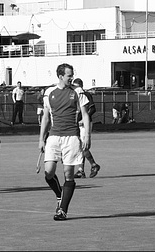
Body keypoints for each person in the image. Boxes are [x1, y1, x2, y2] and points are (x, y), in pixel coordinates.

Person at [38, 63, 91, 221]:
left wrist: (87, 135)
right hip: (54, 137)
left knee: (69, 174)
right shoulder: (49, 93)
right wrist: (41, 138)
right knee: (49, 171)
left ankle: (62, 210)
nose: (71, 78)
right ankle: (60, 195)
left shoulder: (77, 91)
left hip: (72, 137)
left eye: (72, 75)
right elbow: (46, 118)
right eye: (69, 75)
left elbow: (85, 115)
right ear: (60, 76)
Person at [72, 78, 101, 179]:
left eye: (75, 86)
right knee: (79, 147)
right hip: (78, 124)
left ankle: (94, 165)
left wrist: (84, 119)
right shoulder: (74, 95)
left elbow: (93, 109)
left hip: (85, 124)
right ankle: (81, 170)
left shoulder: (85, 94)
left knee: (83, 146)